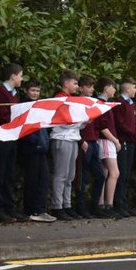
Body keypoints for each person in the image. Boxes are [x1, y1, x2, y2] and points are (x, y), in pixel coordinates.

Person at [0, 63, 26, 222]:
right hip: (2, 138)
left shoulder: (14, 94)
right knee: (0, 174)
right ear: (13, 76)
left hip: (11, 137)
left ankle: (9, 207)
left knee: (9, 174)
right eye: (20, 75)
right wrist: (17, 119)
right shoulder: (1, 93)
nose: (22, 79)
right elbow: (1, 116)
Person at [48, 70, 82, 220]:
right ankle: (57, 206)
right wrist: (81, 121)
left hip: (73, 138)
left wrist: (83, 121)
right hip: (62, 138)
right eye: (75, 83)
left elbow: (75, 123)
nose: (77, 86)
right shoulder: (59, 99)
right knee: (61, 175)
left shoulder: (70, 99)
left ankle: (66, 204)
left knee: (70, 176)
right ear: (66, 83)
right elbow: (64, 121)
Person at [19, 79, 53, 222]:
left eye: (37, 91)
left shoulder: (39, 105)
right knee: (32, 180)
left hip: (41, 148)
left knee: (43, 179)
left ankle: (40, 209)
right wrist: (34, 142)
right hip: (31, 148)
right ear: (26, 91)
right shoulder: (23, 106)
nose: (35, 93)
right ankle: (30, 210)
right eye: (33, 90)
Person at [112, 77, 136, 218]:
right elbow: (120, 124)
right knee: (121, 173)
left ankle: (125, 204)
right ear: (127, 89)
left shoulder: (132, 104)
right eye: (134, 87)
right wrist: (134, 133)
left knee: (127, 174)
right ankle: (118, 204)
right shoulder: (120, 103)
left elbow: (135, 122)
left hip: (131, 141)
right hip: (123, 141)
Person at [91, 78, 123, 218]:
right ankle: (107, 204)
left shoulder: (104, 104)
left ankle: (103, 204)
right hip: (105, 141)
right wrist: (115, 141)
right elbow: (103, 126)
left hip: (106, 141)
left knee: (105, 171)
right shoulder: (101, 104)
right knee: (114, 172)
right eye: (113, 87)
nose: (114, 90)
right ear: (106, 88)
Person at [74, 75, 99, 218]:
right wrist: (81, 140)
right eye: (89, 87)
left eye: (92, 87)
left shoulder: (94, 102)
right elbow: (74, 125)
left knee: (100, 175)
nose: (92, 89)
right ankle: (81, 207)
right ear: (81, 88)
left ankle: (94, 206)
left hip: (94, 141)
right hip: (84, 142)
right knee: (81, 177)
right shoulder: (77, 103)